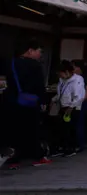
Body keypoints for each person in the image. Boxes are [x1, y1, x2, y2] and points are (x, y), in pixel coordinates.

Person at [2, 39, 51, 168]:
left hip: (12, 101)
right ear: (30, 51)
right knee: (32, 129)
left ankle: (14, 159)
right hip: (30, 102)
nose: (40, 55)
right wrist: (43, 101)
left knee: (13, 130)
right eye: (39, 51)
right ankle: (38, 156)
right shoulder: (35, 65)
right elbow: (39, 86)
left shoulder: (11, 63)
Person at [51, 60, 85, 157]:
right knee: (62, 129)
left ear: (66, 72)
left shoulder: (77, 80)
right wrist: (53, 100)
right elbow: (61, 93)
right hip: (63, 106)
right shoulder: (62, 80)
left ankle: (71, 148)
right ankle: (62, 147)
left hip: (72, 107)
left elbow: (79, 96)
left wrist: (71, 107)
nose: (59, 76)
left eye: (60, 73)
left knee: (70, 129)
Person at [71, 59, 87, 151]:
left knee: (79, 123)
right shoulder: (72, 77)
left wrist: (81, 100)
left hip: (81, 103)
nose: (73, 68)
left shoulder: (84, 77)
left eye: (74, 66)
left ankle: (80, 144)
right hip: (72, 102)